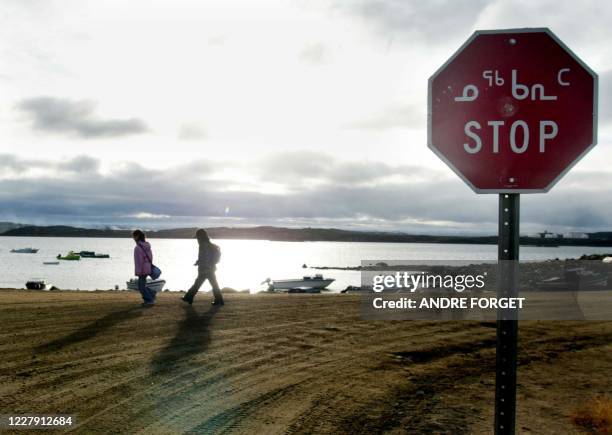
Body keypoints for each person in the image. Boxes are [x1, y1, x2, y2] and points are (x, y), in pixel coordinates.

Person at [182, 229, 224, 306]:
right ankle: (219, 300)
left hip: (205, 268)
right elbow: (205, 257)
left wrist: (201, 264)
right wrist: (199, 262)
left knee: (198, 283)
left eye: (197, 237)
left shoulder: (203, 245)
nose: (197, 239)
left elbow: (204, 257)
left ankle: (188, 297)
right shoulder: (209, 244)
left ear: (200, 237)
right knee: (212, 284)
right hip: (210, 268)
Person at [132, 229, 156, 307]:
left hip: (142, 269)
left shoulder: (138, 248)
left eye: (134, 236)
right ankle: (149, 297)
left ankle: (150, 299)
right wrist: (148, 266)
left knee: (141, 287)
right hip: (147, 268)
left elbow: (138, 261)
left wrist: (138, 272)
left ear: (137, 236)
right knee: (142, 285)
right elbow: (151, 257)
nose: (133, 238)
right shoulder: (147, 246)